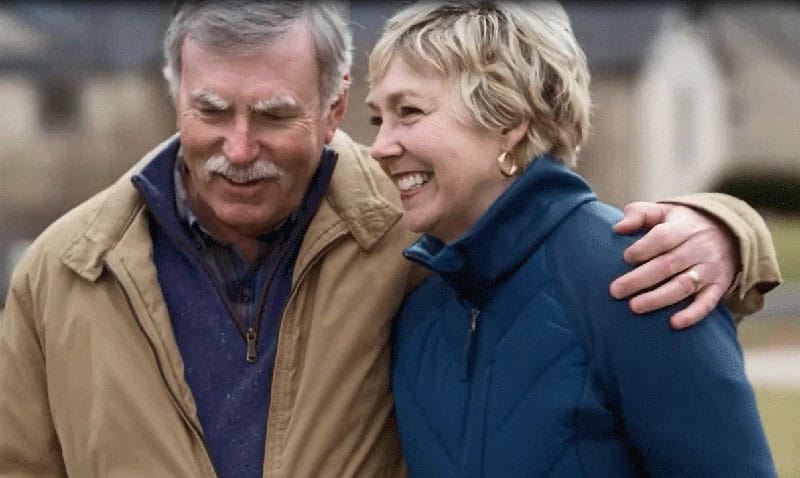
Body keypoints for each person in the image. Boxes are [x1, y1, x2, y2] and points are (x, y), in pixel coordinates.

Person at [0, 1, 780, 477]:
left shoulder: (423, 240)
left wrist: (730, 230)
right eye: (211, 110)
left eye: (274, 115)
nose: (238, 148)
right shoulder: (63, 271)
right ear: (177, 101)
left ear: (331, 109)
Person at [365, 1, 778, 476]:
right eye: (379, 119)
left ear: (507, 120)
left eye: (409, 112)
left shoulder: (645, 275)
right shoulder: (418, 312)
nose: (379, 147)